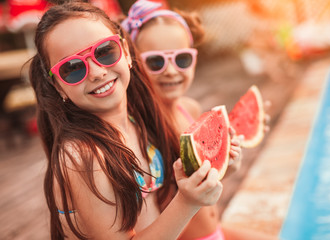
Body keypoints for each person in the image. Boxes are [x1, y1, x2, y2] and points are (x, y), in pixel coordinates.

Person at [29, 2, 225, 239]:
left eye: (104, 52)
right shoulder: (82, 157)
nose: (97, 72)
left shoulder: (137, 122)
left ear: (126, 52)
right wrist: (187, 202)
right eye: (72, 68)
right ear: (57, 86)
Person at [122, 1, 274, 240]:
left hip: (217, 232)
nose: (171, 71)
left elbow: (202, 179)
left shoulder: (190, 109)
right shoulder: (139, 130)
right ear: (133, 65)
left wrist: (232, 145)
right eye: (156, 61)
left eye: (182, 59)